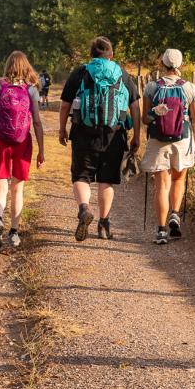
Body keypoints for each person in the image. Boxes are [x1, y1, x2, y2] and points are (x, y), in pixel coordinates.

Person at [59, 36, 140, 241]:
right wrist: (137, 136)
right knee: (106, 181)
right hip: (114, 134)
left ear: (91, 55)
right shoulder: (122, 74)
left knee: (81, 176)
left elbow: (65, 104)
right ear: (111, 54)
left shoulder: (80, 72)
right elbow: (135, 107)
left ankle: (84, 209)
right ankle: (104, 224)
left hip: (83, 132)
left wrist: (62, 129)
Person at [0, 51, 45, 250]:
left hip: (0, 141)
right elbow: (36, 121)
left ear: (7, 65)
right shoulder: (31, 89)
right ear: (26, 67)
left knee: (1, 188)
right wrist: (41, 150)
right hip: (22, 142)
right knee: (18, 189)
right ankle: (14, 232)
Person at [140, 48, 195, 244]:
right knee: (178, 179)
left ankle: (160, 231)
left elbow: (145, 119)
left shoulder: (151, 87)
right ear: (180, 64)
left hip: (158, 139)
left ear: (162, 64)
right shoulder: (189, 87)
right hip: (182, 139)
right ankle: (175, 214)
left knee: (161, 186)